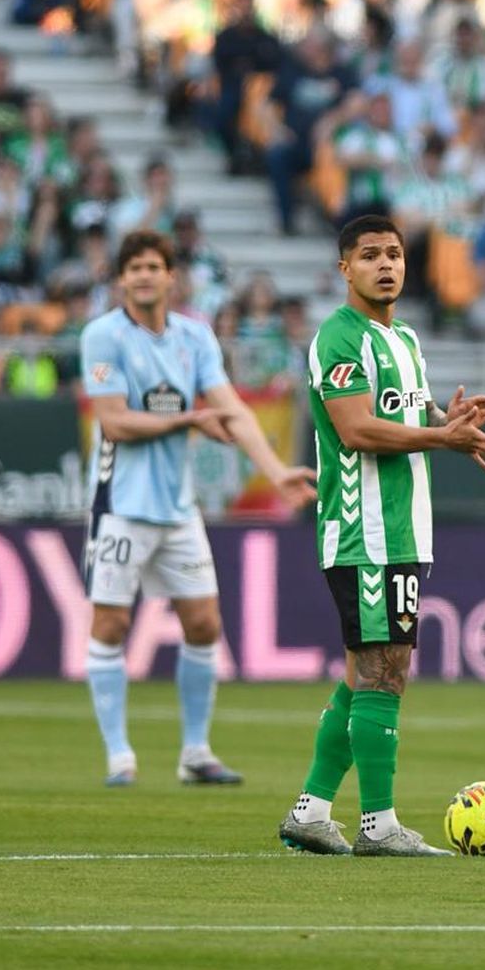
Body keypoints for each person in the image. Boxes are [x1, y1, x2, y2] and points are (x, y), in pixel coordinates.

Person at [277, 215, 485, 858]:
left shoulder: (404, 337)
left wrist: (446, 418)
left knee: (367, 671)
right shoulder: (338, 338)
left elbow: (408, 414)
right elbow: (356, 429)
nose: (387, 264)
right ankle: (379, 824)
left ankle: (311, 810)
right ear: (344, 269)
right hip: (363, 530)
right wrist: (442, 438)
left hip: (403, 530)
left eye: (396, 254)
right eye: (371, 254)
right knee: (385, 668)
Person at [78, 231, 316, 787]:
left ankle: (195, 753)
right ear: (120, 280)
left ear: (171, 277)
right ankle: (119, 755)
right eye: (133, 267)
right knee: (111, 624)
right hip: (120, 505)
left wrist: (277, 471)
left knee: (205, 623)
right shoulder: (102, 337)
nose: (143, 276)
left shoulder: (195, 337)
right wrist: (187, 420)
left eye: (153, 266)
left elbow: (231, 410)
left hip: (176, 507)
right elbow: (113, 421)